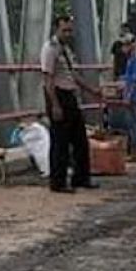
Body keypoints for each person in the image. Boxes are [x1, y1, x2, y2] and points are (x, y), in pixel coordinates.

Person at [41, 14, 100, 193]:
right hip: (58, 95)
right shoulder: (50, 49)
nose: (68, 33)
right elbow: (47, 79)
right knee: (60, 142)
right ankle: (58, 182)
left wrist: (91, 90)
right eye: (64, 30)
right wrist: (55, 105)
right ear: (56, 29)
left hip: (69, 94)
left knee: (80, 139)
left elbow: (72, 74)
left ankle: (81, 178)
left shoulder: (65, 49)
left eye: (69, 30)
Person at [119, 32, 136, 160]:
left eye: (126, 44)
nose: (124, 47)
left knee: (135, 124)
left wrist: (128, 97)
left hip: (134, 96)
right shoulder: (131, 60)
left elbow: (135, 81)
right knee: (133, 124)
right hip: (131, 94)